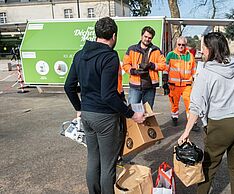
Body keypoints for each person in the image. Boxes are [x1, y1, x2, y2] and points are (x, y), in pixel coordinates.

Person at [64, 17, 145, 194]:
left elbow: (68, 86)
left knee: (93, 159)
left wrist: (79, 108)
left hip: (87, 115)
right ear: (114, 36)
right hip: (105, 118)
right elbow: (108, 95)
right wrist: (132, 114)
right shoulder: (110, 56)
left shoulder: (79, 55)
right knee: (108, 164)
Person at [178, 32, 234, 194]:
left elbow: (196, 106)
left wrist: (186, 132)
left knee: (209, 168)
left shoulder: (206, 72)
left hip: (220, 125)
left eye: (203, 48)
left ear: (211, 49)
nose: (202, 52)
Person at [122, 26, 166, 109]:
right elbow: (125, 65)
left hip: (150, 87)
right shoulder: (132, 49)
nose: (147, 39)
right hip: (135, 86)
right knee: (132, 111)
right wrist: (133, 71)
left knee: (148, 113)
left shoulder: (156, 50)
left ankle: (146, 123)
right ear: (141, 36)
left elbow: (163, 65)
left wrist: (152, 65)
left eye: (150, 38)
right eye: (145, 36)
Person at [163, 36, 196, 126]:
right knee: (174, 104)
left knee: (189, 104)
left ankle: (192, 122)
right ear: (176, 44)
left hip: (187, 85)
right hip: (174, 85)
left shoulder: (190, 56)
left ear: (186, 45)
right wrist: (164, 81)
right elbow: (166, 68)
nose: (181, 46)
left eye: (183, 45)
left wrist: (196, 81)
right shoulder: (170, 55)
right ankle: (174, 117)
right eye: (179, 44)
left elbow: (194, 70)